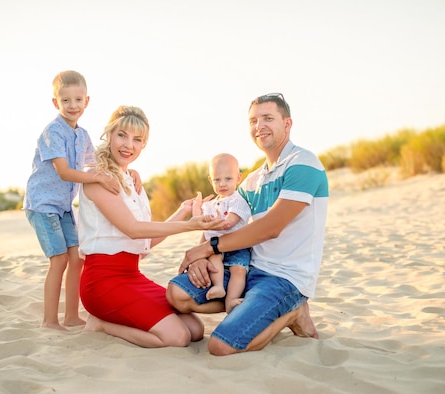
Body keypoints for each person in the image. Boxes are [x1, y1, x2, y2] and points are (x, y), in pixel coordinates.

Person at [166, 93, 329, 356]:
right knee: (177, 293)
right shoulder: (252, 180)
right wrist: (200, 253)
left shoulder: (303, 163)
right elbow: (222, 222)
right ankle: (250, 307)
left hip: (285, 277)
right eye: (253, 120)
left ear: (287, 123)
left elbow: (270, 227)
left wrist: (210, 249)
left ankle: (293, 312)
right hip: (248, 268)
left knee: (221, 346)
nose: (259, 126)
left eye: (268, 118)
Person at [78, 105, 228, 348]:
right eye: (122, 135)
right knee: (176, 338)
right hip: (103, 281)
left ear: (143, 145)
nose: (129, 145)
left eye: (137, 140)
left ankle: (111, 321)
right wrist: (190, 227)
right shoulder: (97, 178)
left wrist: (183, 211)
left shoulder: (132, 180)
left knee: (195, 329)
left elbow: (145, 240)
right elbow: (134, 229)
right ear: (109, 135)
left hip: (132, 275)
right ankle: (101, 324)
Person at [23, 70, 140, 331]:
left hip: (63, 206)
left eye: (78, 100)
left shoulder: (83, 135)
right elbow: (64, 172)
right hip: (42, 205)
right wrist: (97, 180)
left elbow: (98, 161)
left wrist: (129, 170)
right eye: (66, 101)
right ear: (56, 103)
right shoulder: (52, 132)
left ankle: (72, 316)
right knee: (59, 260)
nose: (72, 106)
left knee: (77, 258)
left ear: (86, 101)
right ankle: (49, 321)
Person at [191, 153, 251, 313]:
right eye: (217, 180)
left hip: (237, 246)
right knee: (214, 262)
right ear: (210, 180)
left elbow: (229, 223)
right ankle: (218, 286)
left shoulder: (237, 201)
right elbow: (201, 226)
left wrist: (216, 222)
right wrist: (197, 210)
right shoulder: (209, 205)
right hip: (215, 247)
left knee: (238, 270)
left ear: (238, 178)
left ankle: (231, 300)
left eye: (228, 179)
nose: (222, 184)